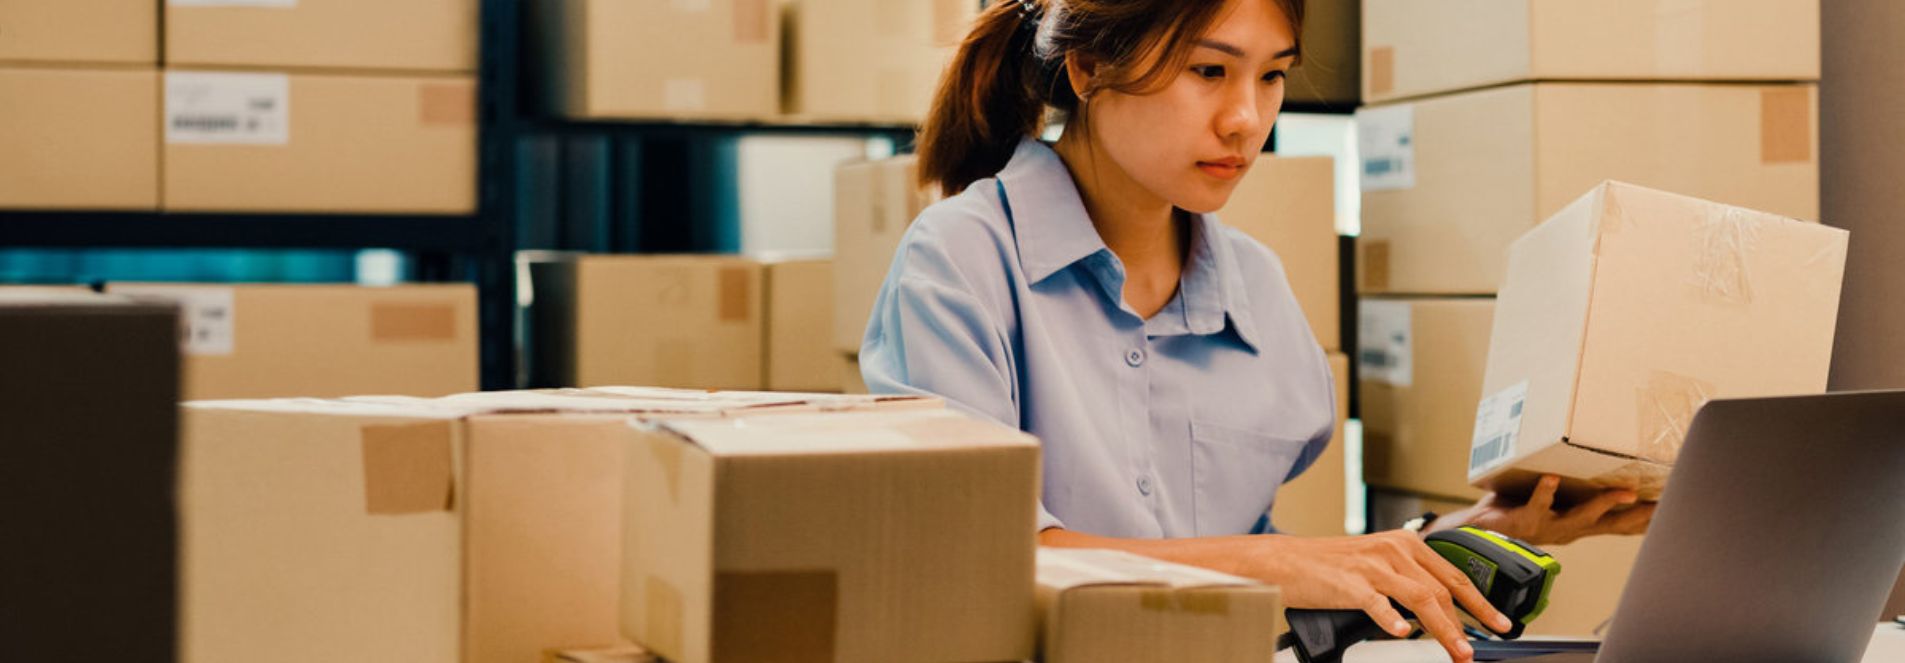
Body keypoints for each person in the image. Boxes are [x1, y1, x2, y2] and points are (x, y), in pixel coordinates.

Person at [859, 1, 1652, 660]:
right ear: (1089, 69)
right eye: (1209, 71)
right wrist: (1278, 564)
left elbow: (1267, 584)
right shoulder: (960, 260)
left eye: (1271, 76)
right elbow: (974, 556)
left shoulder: (1257, 285)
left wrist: (1480, 529)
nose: (1247, 119)